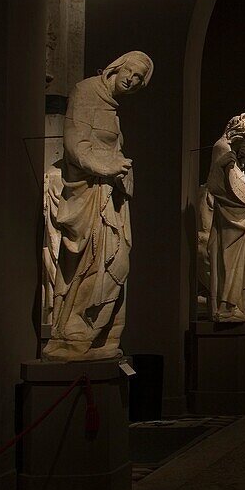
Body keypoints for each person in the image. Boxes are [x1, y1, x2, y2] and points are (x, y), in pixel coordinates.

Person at [44, 51, 153, 361]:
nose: (132, 81)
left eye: (138, 80)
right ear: (117, 66)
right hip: (88, 195)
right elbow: (75, 144)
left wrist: (120, 170)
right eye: (131, 73)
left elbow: (113, 149)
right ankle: (74, 329)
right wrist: (106, 167)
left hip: (111, 196)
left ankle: (102, 334)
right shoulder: (85, 91)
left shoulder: (113, 110)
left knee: (118, 262)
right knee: (91, 260)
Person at [205, 113, 245, 321]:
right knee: (230, 263)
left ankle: (237, 303)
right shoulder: (223, 149)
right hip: (231, 219)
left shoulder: (234, 156)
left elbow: (239, 186)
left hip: (242, 217)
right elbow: (219, 186)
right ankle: (227, 306)